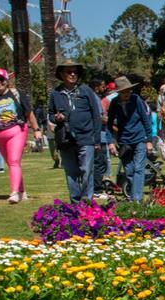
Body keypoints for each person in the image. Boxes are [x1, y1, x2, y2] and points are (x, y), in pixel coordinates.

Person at [47, 59, 102, 203]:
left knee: (86, 171)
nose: (72, 74)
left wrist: (96, 139)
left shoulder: (86, 91)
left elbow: (96, 115)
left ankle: (86, 202)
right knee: (71, 172)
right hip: (66, 140)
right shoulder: (56, 93)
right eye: (69, 72)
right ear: (61, 74)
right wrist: (56, 117)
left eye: (75, 72)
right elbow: (50, 115)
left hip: (86, 137)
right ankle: (75, 203)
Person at [0, 69, 40, 203]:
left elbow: (29, 113)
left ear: (7, 81)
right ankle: (22, 191)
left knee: (14, 161)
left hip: (17, 131)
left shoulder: (16, 94)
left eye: (1, 79)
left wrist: (36, 129)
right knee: (11, 164)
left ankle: (14, 192)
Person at [106, 77, 153, 202]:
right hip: (124, 141)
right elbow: (109, 123)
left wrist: (149, 140)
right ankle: (134, 196)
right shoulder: (114, 103)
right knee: (129, 171)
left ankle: (136, 199)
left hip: (139, 139)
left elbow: (145, 119)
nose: (127, 94)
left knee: (139, 168)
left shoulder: (136, 99)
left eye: (128, 91)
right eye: (123, 92)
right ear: (118, 92)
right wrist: (110, 142)